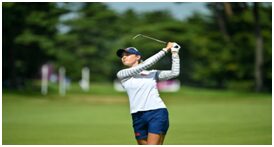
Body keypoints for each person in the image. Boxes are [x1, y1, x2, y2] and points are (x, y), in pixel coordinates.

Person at [116, 42, 180, 145]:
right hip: (137, 116)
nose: (124, 57)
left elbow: (174, 73)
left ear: (137, 57)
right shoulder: (122, 74)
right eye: (122, 56)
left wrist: (174, 53)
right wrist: (165, 50)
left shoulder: (152, 73)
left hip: (156, 112)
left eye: (127, 55)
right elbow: (145, 65)